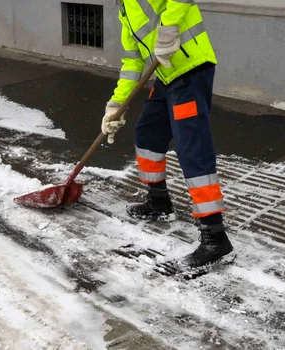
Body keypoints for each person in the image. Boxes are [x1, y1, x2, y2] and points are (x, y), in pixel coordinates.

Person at [101, 0, 233, 270]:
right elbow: (132, 62)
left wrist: (169, 28)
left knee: (192, 148)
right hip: (166, 77)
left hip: (190, 71)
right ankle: (159, 203)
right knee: (147, 134)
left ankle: (215, 236)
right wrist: (115, 106)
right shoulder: (125, 11)